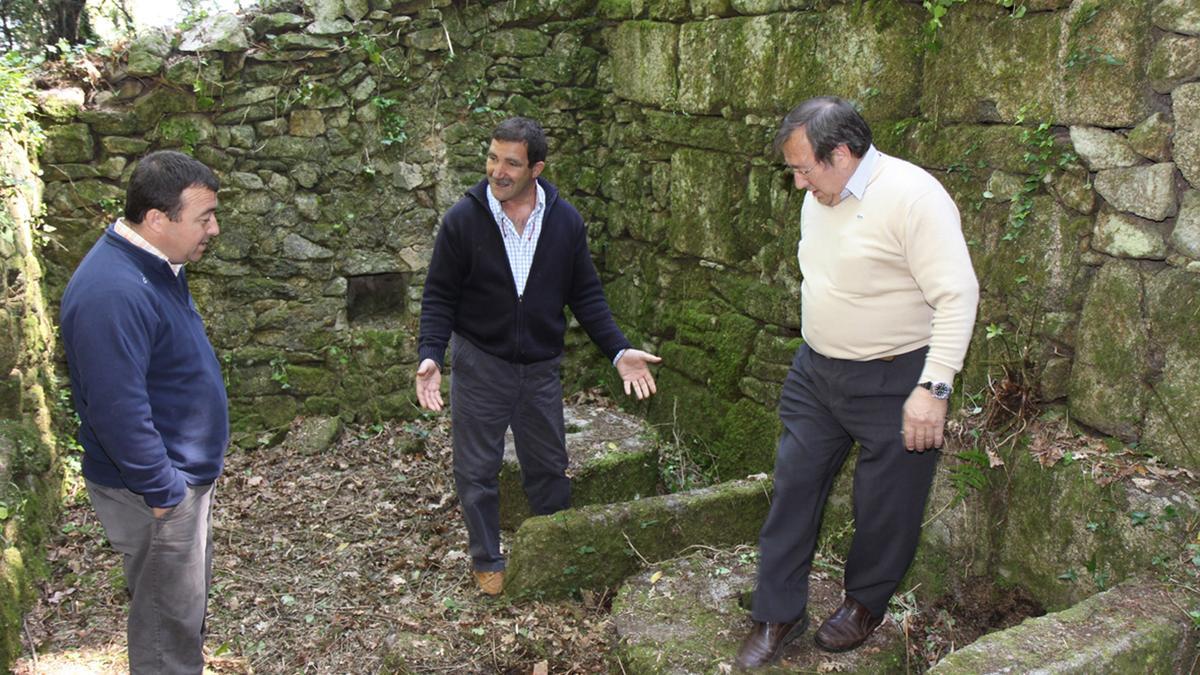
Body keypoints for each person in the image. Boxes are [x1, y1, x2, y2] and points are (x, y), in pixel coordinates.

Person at [735, 97, 979, 667]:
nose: (797, 183)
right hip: (816, 371)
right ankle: (778, 612)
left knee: (885, 504)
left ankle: (866, 603)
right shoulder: (822, 194)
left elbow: (957, 294)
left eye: (803, 169)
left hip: (897, 378)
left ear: (841, 154)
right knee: (794, 486)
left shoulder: (914, 197)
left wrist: (934, 388)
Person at [415, 117, 661, 596]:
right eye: (492, 157)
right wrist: (431, 354)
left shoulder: (564, 222)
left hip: (541, 368)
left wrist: (617, 350)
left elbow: (586, 295)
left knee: (548, 467)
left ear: (536, 168)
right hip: (480, 362)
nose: (497, 171)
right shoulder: (463, 220)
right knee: (477, 470)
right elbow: (438, 295)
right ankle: (487, 557)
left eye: (511, 162)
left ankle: (556, 550)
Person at [60, 150, 227, 674]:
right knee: (164, 630)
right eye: (203, 218)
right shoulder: (113, 290)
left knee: (180, 618)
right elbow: (118, 409)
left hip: (173, 485)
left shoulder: (156, 266)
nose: (214, 229)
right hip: (153, 493)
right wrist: (164, 492)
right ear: (157, 219)